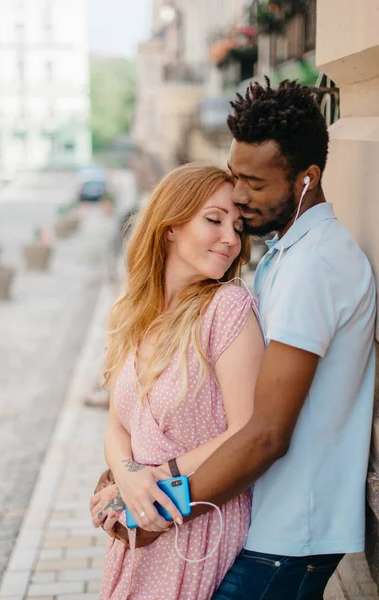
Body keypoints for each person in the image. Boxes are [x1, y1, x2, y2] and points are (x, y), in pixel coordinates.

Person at [99, 78, 376, 599]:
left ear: (305, 180)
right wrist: (128, 476)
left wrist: (157, 506)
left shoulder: (313, 267)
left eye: (254, 183)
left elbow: (266, 432)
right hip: (263, 522)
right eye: (235, 179)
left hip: (290, 530)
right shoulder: (284, 257)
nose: (241, 199)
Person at [90, 163, 265, 599]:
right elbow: (117, 424)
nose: (231, 237)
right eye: (214, 219)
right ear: (170, 227)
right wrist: (128, 478)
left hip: (199, 526)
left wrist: (150, 478)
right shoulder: (132, 314)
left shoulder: (227, 308)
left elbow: (246, 429)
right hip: (141, 528)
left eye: (238, 226)